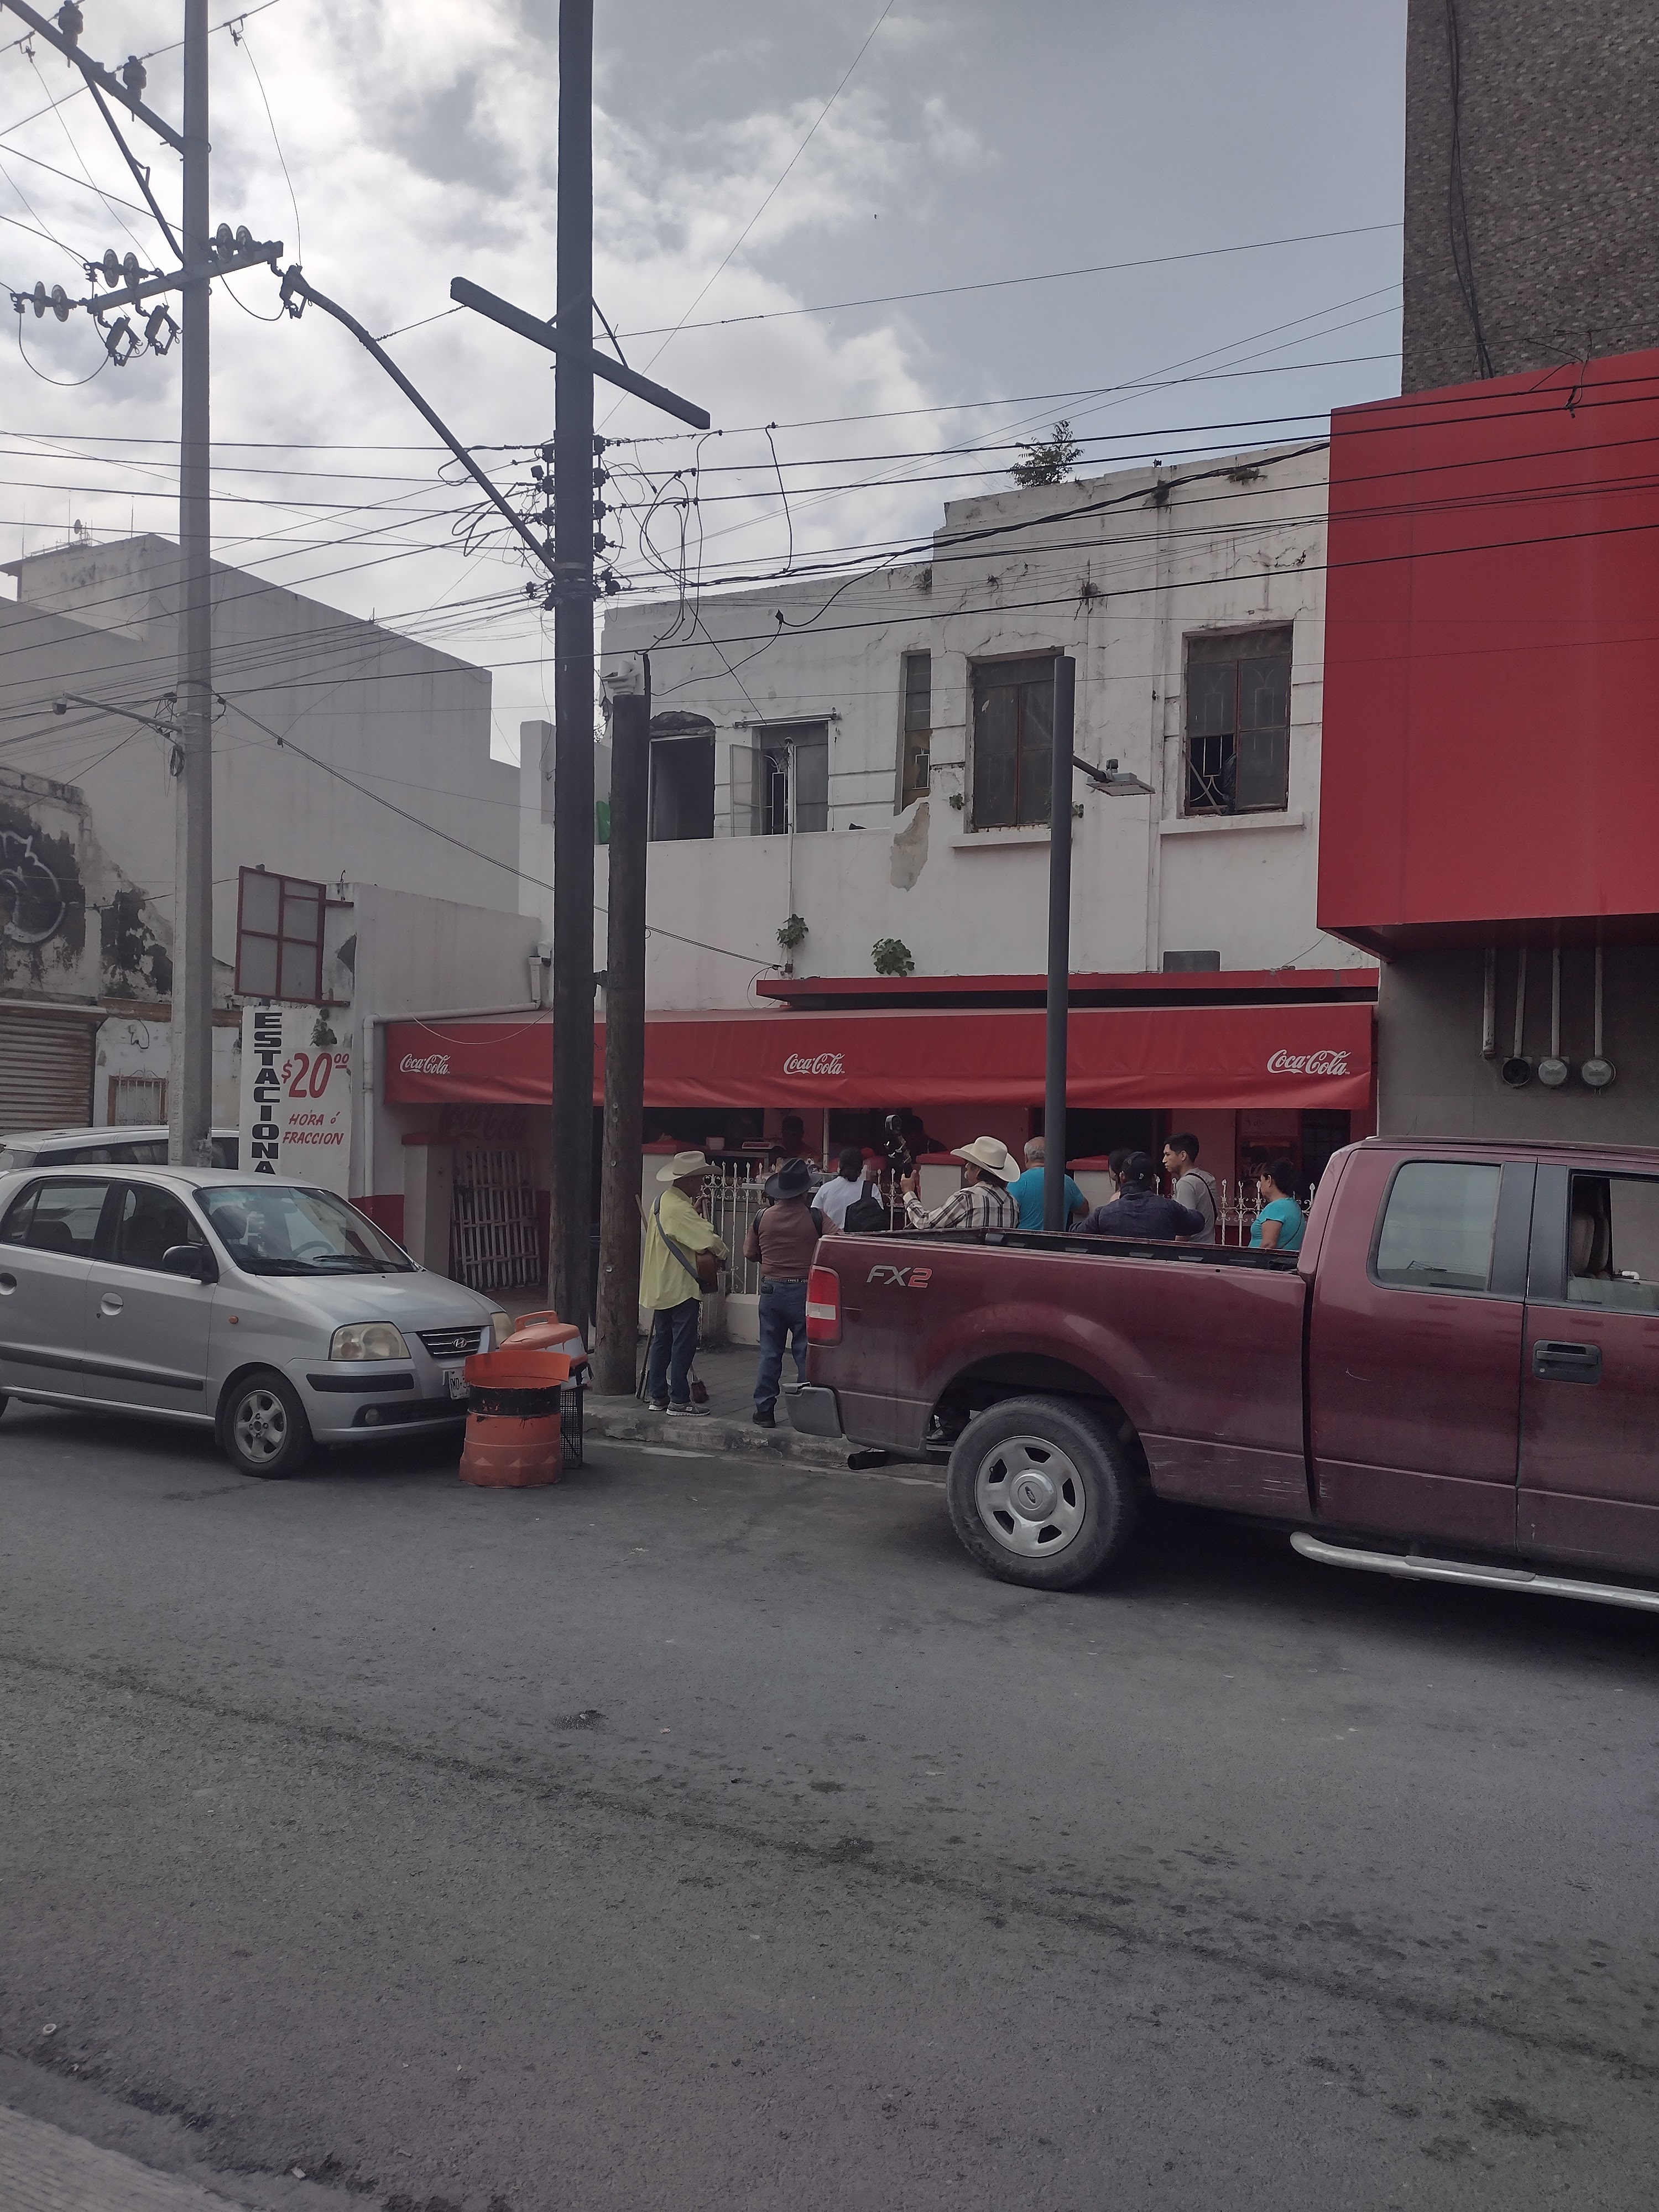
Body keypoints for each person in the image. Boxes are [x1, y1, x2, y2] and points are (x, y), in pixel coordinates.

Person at [640, 1150, 729, 1414]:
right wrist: (723, 1252)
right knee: (683, 1342)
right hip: (680, 1286)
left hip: (661, 1283)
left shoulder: (662, 1201)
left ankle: (658, 1396)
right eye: (700, 1178)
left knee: (662, 1341)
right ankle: (679, 1399)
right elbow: (708, 1240)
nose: (701, 1184)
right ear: (690, 1180)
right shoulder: (680, 1209)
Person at [745, 1156, 828, 1426]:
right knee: (805, 1353)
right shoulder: (815, 1217)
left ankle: (765, 1411)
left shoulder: (762, 1218)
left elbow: (749, 1253)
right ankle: (807, 1414)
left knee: (770, 1352)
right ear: (805, 1191)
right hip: (804, 1292)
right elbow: (837, 1244)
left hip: (771, 1292)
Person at [900, 1136, 1020, 1231]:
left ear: (978, 1170)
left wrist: (909, 1193)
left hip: (967, 1260)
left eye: (969, 1162)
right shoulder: (1011, 1201)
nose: (966, 1166)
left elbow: (925, 1223)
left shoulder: (968, 1197)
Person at [1079, 1151, 1205, 1241]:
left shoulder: (1104, 1214)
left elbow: (1076, 1234)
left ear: (1122, 1177)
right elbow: (1198, 1222)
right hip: (1159, 1276)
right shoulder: (1169, 1208)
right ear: (1153, 1180)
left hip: (1119, 1277)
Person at [1006, 1136, 1087, 1230]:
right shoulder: (1065, 1181)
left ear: (1026, 1158)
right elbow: (1084, 1209)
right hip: (1056, 1243)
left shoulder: (1016, 1182)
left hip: (1023, 1242)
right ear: (1052, 1157)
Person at [1162, 1131, 1219, 1243]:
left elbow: (1185, 1230)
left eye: (1168, 1155)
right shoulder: (1207, 1178)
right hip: (1208, 1248)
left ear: (1183, 1156)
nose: (1164, 1160)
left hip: (1191, 1253)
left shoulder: (1186, 1183)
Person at [1250, 1157, 1305, 1253]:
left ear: (1269, 1180)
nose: (1260, 1184)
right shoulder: (1293, 1206)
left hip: (1266, 1265)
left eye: (1261, 1179)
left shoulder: (1276, 1207)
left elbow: (1268, 1245)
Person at [814, 1145, 874, 1230]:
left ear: (839, 1164)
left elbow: (815, 1218)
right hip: (860, 1241)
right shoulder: (871, 1189)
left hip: (831, 1241)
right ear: (862, 1166)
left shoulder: (825, 1189)